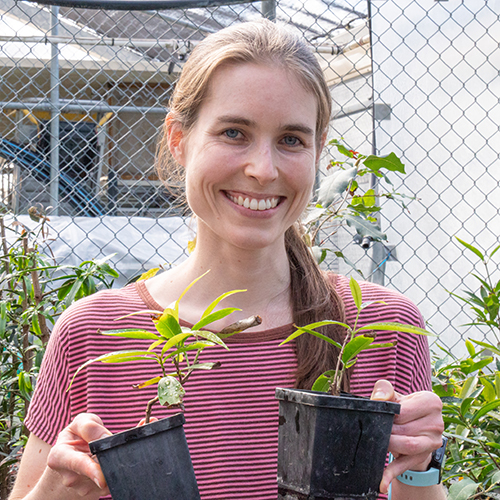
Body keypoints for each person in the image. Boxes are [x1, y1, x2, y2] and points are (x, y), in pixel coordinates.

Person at [9, 19, 445, 500]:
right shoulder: (92, 335)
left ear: (319, 151)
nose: (263, 169)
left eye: (292, 140)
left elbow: (411, 484)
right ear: (179, 140)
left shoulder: (379, 328)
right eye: (234, 132)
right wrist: (60, 487)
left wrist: (419, 466)